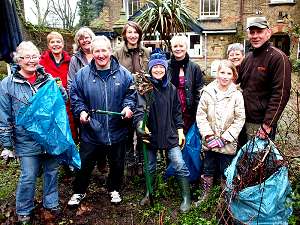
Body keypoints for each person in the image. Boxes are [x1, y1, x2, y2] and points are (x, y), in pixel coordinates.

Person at [0, 41, 67, 224]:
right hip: (26, 139)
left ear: (39, 58)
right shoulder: (7, 84)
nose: (31, 61)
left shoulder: (48, 79)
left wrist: (59, 90)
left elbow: (62, 102)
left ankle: (51, 203)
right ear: (18, 59)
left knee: (52, 171)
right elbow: (4, 115)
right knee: (28, 175)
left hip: (49, 137)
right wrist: (6, 144)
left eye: (35, 56)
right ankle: (23, 210)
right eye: (27, 57)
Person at [68, 36, 136, 205]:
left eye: (104, 50)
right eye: (96, 51)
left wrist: (128, 107)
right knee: (84, 164)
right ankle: (79, 191)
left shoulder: (124, 74)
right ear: (92, 53)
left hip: (116, 129)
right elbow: (75, 96)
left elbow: (131, 95)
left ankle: (114, 188)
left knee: (117, 164)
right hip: (91, 129)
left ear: (110, 51)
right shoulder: (82, 75)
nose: (100, 54)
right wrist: (81, 111)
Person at [134, 51, 191, 213]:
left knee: (179, 163)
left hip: (170, 133)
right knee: (150, 166)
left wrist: (180, 131)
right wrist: (140, 126)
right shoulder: (145, 88)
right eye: (155, 67)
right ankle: (148, 192)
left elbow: (177, 112)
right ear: (150, 69)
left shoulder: (171, 89)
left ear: (165, 69)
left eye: (161, 67)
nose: (158, 70)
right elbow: (139, 110)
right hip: (150, 135)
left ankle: (186, 197)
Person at [196, 59, 245, 202]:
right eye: (222, 72)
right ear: (216, 74)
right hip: (210, 142)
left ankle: (225, 198)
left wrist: (225, 138)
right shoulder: (207, 92)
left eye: (228, 73)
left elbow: (239, 119)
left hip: (227, 143)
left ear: (233, 76)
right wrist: (209, 135)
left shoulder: (237, 95)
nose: (224, 76)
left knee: (226, 170)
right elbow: (201, 115)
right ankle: (205, 196)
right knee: (208, 168)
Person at [237, 17, 291, 141]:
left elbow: (281, 94)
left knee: (258, 159)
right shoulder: (248, 58)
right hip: (242, 119)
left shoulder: (278, 58)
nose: (255, 36)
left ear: (268, 33)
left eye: (259, 31)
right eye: (252, 32)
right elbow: (236, 82)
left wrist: (267, 124)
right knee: (242, 158)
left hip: (260, 124)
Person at [113, 21, 150, 175]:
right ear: (125, 35)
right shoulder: (117, 53)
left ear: (139, 35)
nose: (133, 35)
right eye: (129, 32)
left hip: (144, 95)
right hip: (125, 95)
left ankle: (142, 160)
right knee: (127, 129)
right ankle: (129, 161)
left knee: (142, 128)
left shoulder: (146, 52)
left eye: (135, 32)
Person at [39, 31, 77, 142]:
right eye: (52, 42)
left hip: (67, 102)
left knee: (70, 133)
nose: (56, 44)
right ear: (48, 45)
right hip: (50, 102)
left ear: (63, 44)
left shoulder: (70, 61)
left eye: (58, 41)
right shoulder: (42, 62)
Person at [168, 35, 204, 134]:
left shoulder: (194, 67)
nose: (178, 49)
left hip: (188, 110)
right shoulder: (166, 66)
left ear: (186, 47)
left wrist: (197, 112)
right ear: (171, 48)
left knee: (187, 138)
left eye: (181, 46)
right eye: (175, 46)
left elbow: (199, 91)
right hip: (171, 108)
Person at [67, 27, 95, 91]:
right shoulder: (74, 59)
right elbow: (71, 82)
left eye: (87, 37)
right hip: (81, 97)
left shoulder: (99, 55)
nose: (85, 40)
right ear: (78, 42)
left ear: (92, 38)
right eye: (81, 39)